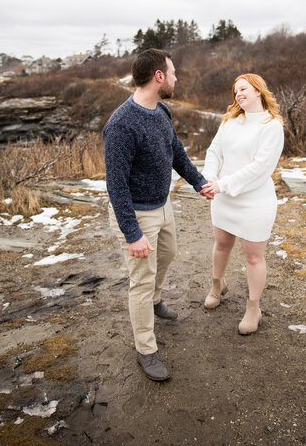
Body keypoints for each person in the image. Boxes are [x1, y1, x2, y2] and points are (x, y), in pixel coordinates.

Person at [103, 48, 208, 381]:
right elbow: (116, 185)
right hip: (136, 214)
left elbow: (176, 152)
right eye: (173, 73)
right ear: (158, 77)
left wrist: (199, 181)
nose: (177, 78)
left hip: (162, 206)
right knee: (141, 281)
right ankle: (146, 349)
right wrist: (132, 233)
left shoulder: (161, 110)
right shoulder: (121, 125)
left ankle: (155, 300)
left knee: (169, 253)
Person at [200, 73, 284, 335]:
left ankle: (253, 308)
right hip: (224, 198)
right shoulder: (230, 121)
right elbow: (214, 152)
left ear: (258, 91)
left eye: (244, 89)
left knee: (253, 257)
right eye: (235, 91)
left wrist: (222, 184)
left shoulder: (272, 126)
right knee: (222, 245)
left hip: (255, 202)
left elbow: (260, 169)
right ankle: (217, 285)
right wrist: (210, 178)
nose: (238, 94)